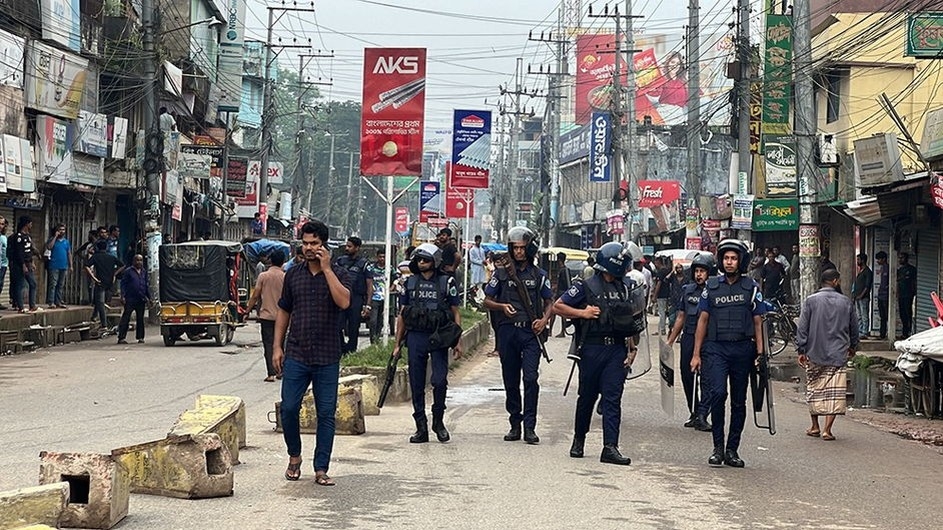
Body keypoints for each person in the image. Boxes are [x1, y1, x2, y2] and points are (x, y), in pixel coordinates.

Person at [273, 220, 351, 486]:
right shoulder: (293, 274)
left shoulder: (339, 272)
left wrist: (327, 269)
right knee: (289, 408)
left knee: (326, 413)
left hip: (328, 355)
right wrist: (276, 346)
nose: (309, 248)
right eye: (305, 243)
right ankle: (294, 456)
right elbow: (284, 309)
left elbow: (344, 301)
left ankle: (321, 467)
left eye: (314, 244)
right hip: (297, 352)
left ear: (324, 245)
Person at [553, 242, 645, 465]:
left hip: (616, 350)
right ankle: (579, 439)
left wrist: (632, 349)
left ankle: (610, 447)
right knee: (587, 397)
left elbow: (632, 321)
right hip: (592, 349)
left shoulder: (625, 287)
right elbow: (558, 306)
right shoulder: (585, 286)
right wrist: (582, 312)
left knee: (613, 398)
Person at [691, 239, 766, 468]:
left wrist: (760, 354)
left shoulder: (751, 287)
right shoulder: (711, 287)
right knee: (719, 394)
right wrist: (696, 355)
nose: (730, 262)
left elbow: (758, 321)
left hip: (743, 350)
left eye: (733, 258)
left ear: (740, 261)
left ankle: (732, 450)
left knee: (738, 402)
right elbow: (702, 321)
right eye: (726, 258)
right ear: (721, 261)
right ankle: (717, 447)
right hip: (716, 349)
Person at [483, 227, 554, 444]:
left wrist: (544, 320)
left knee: (531, 378)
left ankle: (529, 426)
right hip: (508, 332)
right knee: (510, 379)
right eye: (515, 248)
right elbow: (486, 300)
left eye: (523, 248)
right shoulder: (501, 273)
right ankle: (515, 422)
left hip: (530, 333)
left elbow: (551, 301)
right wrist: (502, 306)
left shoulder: (539, 275)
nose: (519, 252)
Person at [392, 243, 462, 443]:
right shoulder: (409, 283)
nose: (421, 263)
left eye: (425, 260)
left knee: (439, 381)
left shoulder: (447, 282)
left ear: (435, 261)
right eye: (419, 260)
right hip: (416, 337)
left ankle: (438, 421)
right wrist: (397, 344)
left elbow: (455, 312)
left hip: (439, 336)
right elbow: (402, 314)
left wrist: (458, 340)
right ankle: (420, 426)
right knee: (416, 383)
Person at [796, 269, 857, 441]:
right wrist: (853, 346)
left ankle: (815, 426)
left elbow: (802, 327)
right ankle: (827, 430)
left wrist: (801, 349)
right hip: (838, 353)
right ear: (835, 281)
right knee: (834, 392)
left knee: (814, 389)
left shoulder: (811, 301)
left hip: (815, 351)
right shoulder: (846, 302)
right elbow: (854, 328)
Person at [666, 253, 715, 432]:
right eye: (697, 271)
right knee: (687, 376)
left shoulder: (715, 291)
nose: (699, 275)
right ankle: (694, 412)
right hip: (688, 337)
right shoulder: (688, 290)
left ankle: (703, 414)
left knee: (707, 380)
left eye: (702, 271)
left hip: (709, 340)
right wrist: (670, 341)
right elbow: (681, 317)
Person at [245, 250, 286, 382]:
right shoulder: (286, 277)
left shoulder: (263, 276)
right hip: (283, 317)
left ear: (270, 261)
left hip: (266, 317)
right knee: (281, 343)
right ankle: (281, 371)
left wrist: (247, 310)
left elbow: (256, 295)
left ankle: (271, 373)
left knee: (268, 345)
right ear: (283, 262)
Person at [335, 236, 373, 354]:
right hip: (342, 296)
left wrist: (368, 305)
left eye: (350, 246)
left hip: (356, 299)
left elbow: (369, 285)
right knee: (337, 325)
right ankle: (341, 348)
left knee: (353, 327)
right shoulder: (341, 261)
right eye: (347, 246)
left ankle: (351, 350)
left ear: (357, 248)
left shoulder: (364, 264)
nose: (347, 248)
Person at [86, 239, 124, 328]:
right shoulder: (111, 257)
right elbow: (122, 265)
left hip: (100, 282)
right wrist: (114, 274)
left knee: (100, 303)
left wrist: (93, 278)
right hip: (110, 282)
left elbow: (86, 266)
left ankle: (104, 325)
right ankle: (94, 316)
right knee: (98, 300)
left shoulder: (96, 256)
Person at [8, 216, 39, 313]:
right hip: (20, 264)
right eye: (30, 223)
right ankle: (20, 307)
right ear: (26, 224)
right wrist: (23, 265)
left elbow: (29, 251)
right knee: (20, 285)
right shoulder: (18, 237)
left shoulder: (28, 236)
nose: (31, 225)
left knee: (33, 283)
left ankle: (32, 305)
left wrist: (32, 262)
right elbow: (19, 252)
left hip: (28, 263)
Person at [117, 254, 149, 344]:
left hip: (141, 299)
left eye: (141, 260)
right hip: (130, 299)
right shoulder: (128, 271)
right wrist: (122, 296)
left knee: (140, 319)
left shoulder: (143, 272)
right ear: (133, 261)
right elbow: (123, 284)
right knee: (126, 318)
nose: (139, 262)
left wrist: (149, 298)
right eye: (137, 260)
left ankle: (140, 337)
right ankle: (121, 338)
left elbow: (146, 285)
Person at [45, 223, 72, 309]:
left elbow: (69, 253)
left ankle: (58, 301)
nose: (62, 231)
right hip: (54, 265)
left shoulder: (66, 242)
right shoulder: (52, 240)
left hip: (63, 266)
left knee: (60, 285)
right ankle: (51, 302)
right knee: (53, 284)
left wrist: (71, 265)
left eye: (63, 230)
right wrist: (55, 237)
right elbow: (49, 247)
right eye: (60, 230)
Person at [367, 249, 388, 344]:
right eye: (380, 256)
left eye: (384, 257)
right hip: (374, 297)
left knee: (381, 320)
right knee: (373, 320)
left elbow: (396, 278)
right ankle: (372, 340)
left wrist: (391, 289)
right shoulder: (371, 268)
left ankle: (377, 338)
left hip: (385, 298)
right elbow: (368, 282)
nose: (382, 259)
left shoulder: (389, 268)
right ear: (377, 257)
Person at [550, 252, 572, 338]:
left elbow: (567, 283)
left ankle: (562, 331)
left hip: (562, 294)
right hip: (559, 293)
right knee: (555, 312)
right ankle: (552, 331)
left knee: (557, 312)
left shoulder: (565, 270)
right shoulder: (562, 270)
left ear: (559, 260)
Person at [852, 254, 873, 337]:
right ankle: (860, 331)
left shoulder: (868, 272)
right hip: (857, 297)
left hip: (863, 297)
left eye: (858, 260)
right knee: (858, 315)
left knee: (864, 315)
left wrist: (861, 295)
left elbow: (867, 286)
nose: (857, 262)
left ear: (863, 260)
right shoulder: (860, 271)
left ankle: (865, 331)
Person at [897, 252, 917, 339]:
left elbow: (914, 282)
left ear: (906, 259)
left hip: (909, 295)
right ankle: (904, 333)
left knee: (908, 314)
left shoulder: (912, 269)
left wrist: (914, 292)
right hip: (901, 295)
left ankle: (909, 332)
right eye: (899, 258)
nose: (900, 259)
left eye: (902, 258)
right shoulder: (899, 270)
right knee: (902, 315)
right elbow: (897, 282)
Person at [75, 230, 98, 305]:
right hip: (89, 266)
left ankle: (94, 300)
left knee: (94, 284)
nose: (89, 236)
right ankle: (91, 300)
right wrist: (84, 258)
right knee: (89, 284)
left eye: (90, 235)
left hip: (95, 266)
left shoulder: (98, 244)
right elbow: (78, 251)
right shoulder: (88, 244)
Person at [652, 257, 672, 335]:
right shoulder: (668, 270)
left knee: (661, 312)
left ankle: (662, 329)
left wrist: (655, 295)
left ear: (658, 262)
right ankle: (666, 328)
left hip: (661, 295)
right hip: (668, 294)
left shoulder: (660, 272)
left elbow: (658, 284)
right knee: (666, 312)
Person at [875, 251, 889, 339]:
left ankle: (885, 334)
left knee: (885, 316)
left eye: (879, 259)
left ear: (884, 259)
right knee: (882, 316)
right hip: (881, 295)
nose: (877, 261)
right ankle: (882, 334)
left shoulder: (888, 268)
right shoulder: (883, 268)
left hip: (886, 296)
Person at [0, 216, 7, 310]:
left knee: (0, 284)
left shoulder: (3, 237)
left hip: (3, 264)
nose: (1, 226)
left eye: (2, 224)